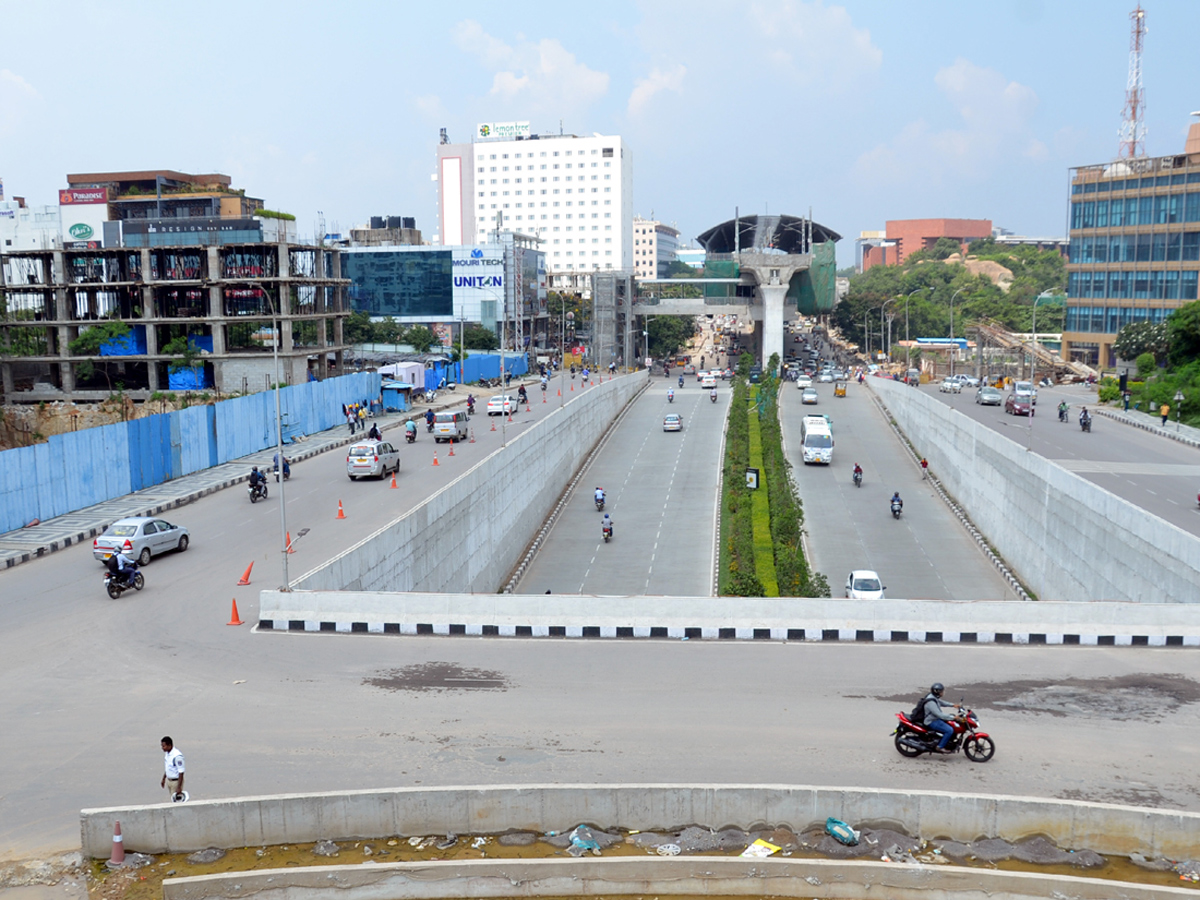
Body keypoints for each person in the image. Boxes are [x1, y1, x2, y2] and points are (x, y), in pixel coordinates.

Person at [921, 683, 962, 754]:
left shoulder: (933, 697)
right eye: (941, 691)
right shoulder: (931, 702)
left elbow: (941, 702)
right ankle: (940, 747)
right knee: (949, 730)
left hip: (935, 718)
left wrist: (953, 705)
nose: (943, 693)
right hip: (931, 721)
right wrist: (953, 717)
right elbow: (940, 715)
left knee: (949, 722)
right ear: (937, 692)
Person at [161, 736, 185, 800]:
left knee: (176, 801)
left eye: (164, 746)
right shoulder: (167, 754)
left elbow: (181, 772)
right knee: (172, 798)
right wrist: (164, 779)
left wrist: (179, 787)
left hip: (176, 782)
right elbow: (168, 767)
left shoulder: (177, 756)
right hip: (169, 781)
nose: (162, 748)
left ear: (169, 745)